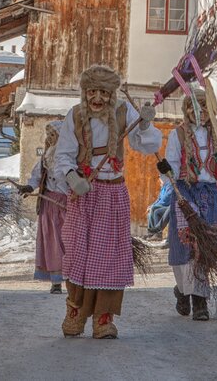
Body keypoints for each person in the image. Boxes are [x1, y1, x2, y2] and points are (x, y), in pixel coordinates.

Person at [53, 64, 162, 339]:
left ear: (112, 94)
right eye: (92, 92)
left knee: (109, 257)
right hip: (84, 194)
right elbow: (62, 154)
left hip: (113, 194)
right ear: (85, 92)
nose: (98, 98)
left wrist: (145, 124)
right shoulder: (74, 115)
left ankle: (103, 319)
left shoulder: (125, 112)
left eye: (104, 93)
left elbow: (146, 144)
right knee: (78, 254)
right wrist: (71, 177)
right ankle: (75, 313)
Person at [157, 84, 217, 321]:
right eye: (194, 108)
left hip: (210, 196)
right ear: (186, 110)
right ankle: (182, 290)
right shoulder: (177, 135)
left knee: (205, 248)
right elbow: (171, 169)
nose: (200, 112)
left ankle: (200, 301)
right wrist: (166, 171)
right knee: (184, 247)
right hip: (184, 195)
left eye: (205, 107)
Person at [18, 121, 69, 294]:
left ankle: (72, 278)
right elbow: (37, 175)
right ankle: (56, 281)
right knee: (52, 242)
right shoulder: (46, 156)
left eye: (53, 135)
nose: (50, 138)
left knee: (67, 241)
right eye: (48, 135)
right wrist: (29, 187)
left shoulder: (69, 157)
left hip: (66, 204)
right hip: (49, 204)